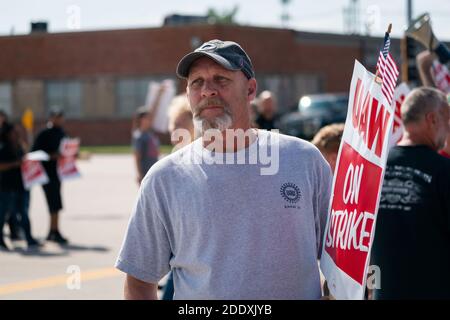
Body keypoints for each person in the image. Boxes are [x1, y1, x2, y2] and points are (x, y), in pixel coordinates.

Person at [116, 39, 332, 299]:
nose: (207, 90)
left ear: (250, 90)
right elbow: (139, 280)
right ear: (188, 94)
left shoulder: (304, 160)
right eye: (197, 82)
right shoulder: (164, 178)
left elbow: (341, 258)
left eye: (221, 79)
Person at [370, 87, 450, 299]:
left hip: (383, 293)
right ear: (432, 119)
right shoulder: (444, 171)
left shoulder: (373, 168)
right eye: (447, 120)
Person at [0, 122, 40, 250]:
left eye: (17, 132)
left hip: (21, 186)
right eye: (13, 133)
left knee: (24, 213)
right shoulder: (3, 148)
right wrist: (15, 164)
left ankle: (29, 238)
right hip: (6, 187)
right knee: (3, 214)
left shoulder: (19, 147)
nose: (16, 135)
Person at [32, 107, 68, 244]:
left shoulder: (61, 132)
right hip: (47, 174)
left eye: (61, 117)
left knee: (57, 203)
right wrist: (52, 156)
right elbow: (34, 152)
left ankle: (54, 230)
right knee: (52, 203)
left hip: (59, 173)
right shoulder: (44, 134)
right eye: (57, 117)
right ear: (51, 118)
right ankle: (52, 231)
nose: (60, 119)